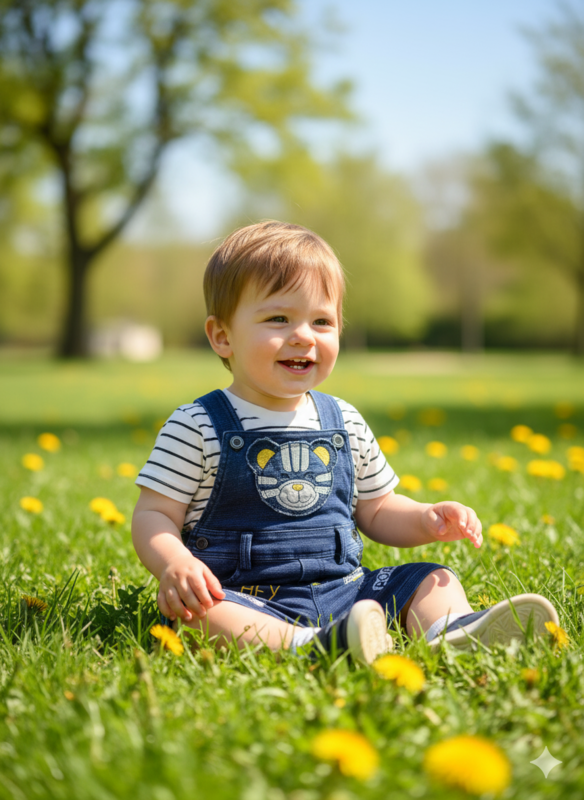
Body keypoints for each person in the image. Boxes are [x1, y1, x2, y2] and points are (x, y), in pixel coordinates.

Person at [131, 221, 559, 664]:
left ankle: (450, 630)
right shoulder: (198, 424)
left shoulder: (344, 421)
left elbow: (376, 509)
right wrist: (173, 565)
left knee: (433, 578)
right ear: (222, 336)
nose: (304, 335)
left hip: (347, 591)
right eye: (278, 318)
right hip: (244, 596)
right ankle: (308, 646)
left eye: (322, 321)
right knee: (201, 613)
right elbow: (154, 514)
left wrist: (426, 518)